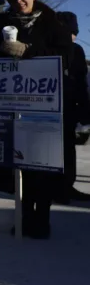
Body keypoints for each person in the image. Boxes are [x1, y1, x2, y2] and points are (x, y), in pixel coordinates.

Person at [0, 0, 71, 239]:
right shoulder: (5, 21)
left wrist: (28, 51)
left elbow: (67, 56)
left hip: (43, 103)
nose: (19, 1)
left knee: (42, 164)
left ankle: (42, 220)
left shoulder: (51, 21)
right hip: (11, 100)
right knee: (19, 165)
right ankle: (24, 216)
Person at [55, 11, 90, 203]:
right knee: (64, 149)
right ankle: (62, 188)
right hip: (61, 107)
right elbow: (81, 84)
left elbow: (81, 83)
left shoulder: (75, 50)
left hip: (65, 107)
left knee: (65, 148)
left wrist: (84, 111)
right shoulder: (73, 50)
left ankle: (64, 186)